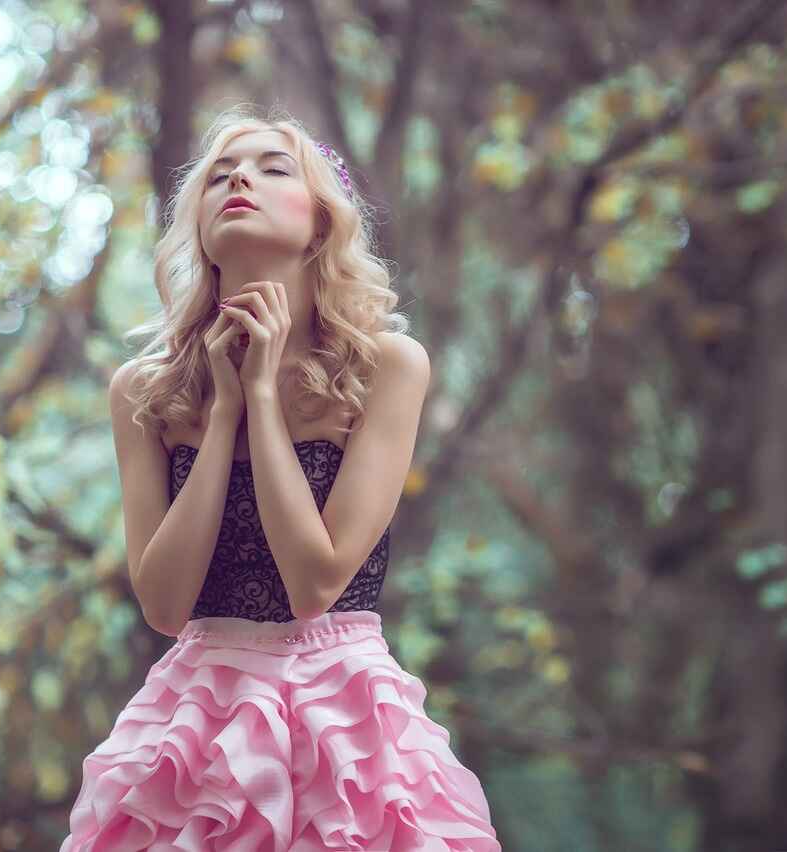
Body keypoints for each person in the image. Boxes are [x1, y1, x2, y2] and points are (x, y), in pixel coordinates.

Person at [59, 104, 501, 851]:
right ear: (197, 226)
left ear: (322, 223)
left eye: (273, 168)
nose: (239, 179)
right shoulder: (143, 390)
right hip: (197, 721)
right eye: (220, 175)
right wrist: (224, 406)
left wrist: (262, 397)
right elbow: (165, 605)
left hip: (347, 723)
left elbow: (315, 585)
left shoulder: (387, 367)